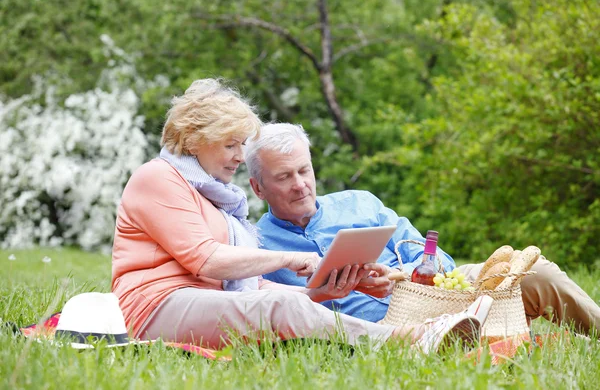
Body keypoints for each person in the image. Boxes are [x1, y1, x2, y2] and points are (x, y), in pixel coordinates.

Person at [110, 78, 489, 354]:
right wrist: (294, 259)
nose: (240, 157)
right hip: (153, 307)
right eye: (230, 145)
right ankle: (408, 341)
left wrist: (318, 292)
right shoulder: (157, 177)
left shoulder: (214, 198)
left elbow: (254, 288)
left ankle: (421, 332)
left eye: (242, 145)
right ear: (194, 140)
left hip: (198, 301)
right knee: (286, 306)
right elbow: (206, 260)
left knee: (295, 303)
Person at [246, 123, 600, 335]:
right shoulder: (257, 246)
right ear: (258, 188)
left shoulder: (360, 203)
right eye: (284, 177)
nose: (300, 185)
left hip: (440, 292)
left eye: (304, 170)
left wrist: (401, 274)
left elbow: (435, 257)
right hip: (391, 330)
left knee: (535, 272)